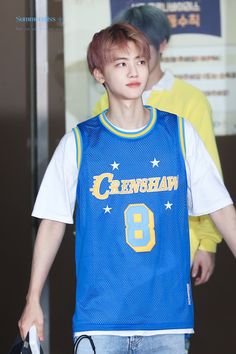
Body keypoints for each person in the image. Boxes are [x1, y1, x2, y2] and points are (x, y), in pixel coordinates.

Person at [18, 23, 236, 354]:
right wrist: (33, 299)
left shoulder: (178, 132)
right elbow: (51, 222)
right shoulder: (79, 142)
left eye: (140, 61)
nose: (134, 71)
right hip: (100, 320)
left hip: (168, 318)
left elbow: (221, 209)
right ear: (99, 74)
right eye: (121, 63)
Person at [93, 5, 222, 287]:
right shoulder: (105, 101)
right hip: (122, 245)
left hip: (176, 244)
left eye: (142, 49)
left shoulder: (191, 101)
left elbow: (208, 178)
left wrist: (207, 243)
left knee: (170, 325)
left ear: (162, 45)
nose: (134, 58)